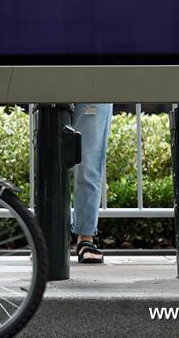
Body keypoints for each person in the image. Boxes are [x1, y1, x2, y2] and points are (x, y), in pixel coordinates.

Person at [71, 103, 113, 263]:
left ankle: (86, 236)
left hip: (94, 90)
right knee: (50, 162)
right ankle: (48, 235)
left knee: (88, 164)